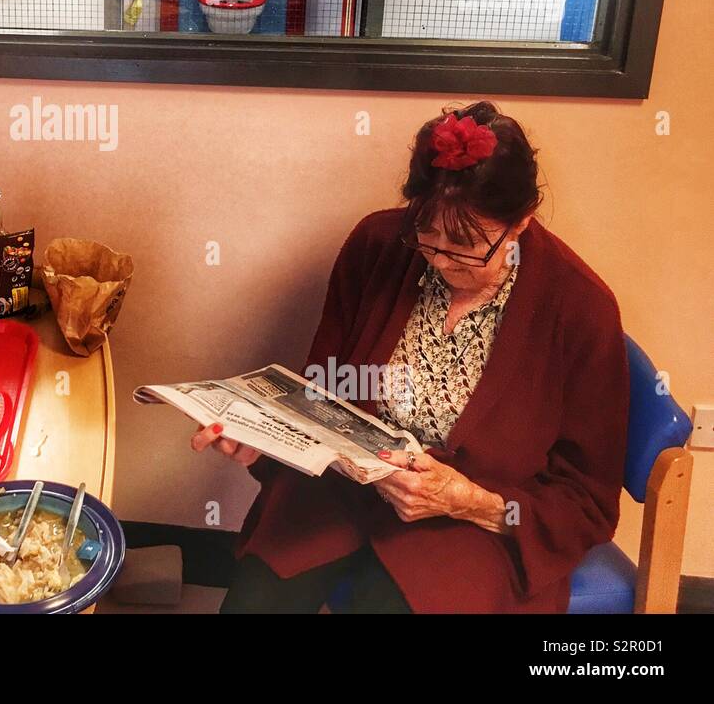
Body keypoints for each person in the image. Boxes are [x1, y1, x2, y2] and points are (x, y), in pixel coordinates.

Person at [196, 101, 628, 613]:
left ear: (521, 223)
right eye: (427, 234)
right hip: (346, 489)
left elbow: (586, 503)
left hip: (468, 521)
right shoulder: (378, 245)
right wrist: (263, 438)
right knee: (255, 603)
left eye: (466, 246)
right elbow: (319, 399)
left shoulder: (580, 309)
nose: (440, 260)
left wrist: (472, 502)